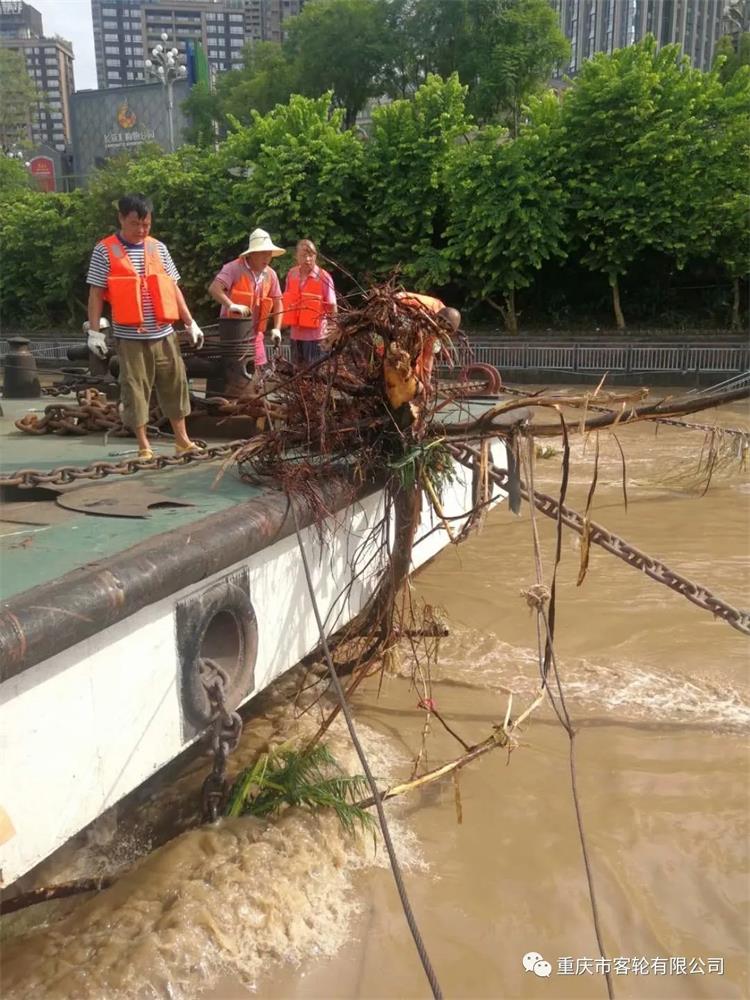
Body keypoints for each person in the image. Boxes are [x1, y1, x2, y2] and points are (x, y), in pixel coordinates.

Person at [86, 193, 204, 462]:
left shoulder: (158, 248)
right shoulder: (104, 250)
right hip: (130, 338)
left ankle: (183, 441)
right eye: (134, 224)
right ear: (121, 219)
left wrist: (190, 322)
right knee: (135, 389)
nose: (141, 230)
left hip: (164, 334)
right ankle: (144, 446)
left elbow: (173, 288)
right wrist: (94, 332)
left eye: (146, 224)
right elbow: (96, 293)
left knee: (176, 385)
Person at [208, 228, 284, 371]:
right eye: (263, 253)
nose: (267, 258)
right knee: (236, 373)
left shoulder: (271, 274)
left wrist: (277, 329)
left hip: (256, 335)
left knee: (258, 373)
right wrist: (231, 305)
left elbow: (278, 302)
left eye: (269, 254)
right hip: (233, 334)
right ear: (252, 253)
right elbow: (214, 289)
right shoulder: (233, 268)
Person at [281, 239, 337, 367]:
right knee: (297, 372)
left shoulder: (324, 277)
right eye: (303, 255)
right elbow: (287, 302)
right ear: (296, 256)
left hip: (317, 337)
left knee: (316, 374)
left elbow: (332, 306)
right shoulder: (291, 274)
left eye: (310, 255)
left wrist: (332, 333)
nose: (307, 259)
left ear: (315, 256)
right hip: (295, 336)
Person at [395, 291, 461, 390]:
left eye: (447, 330)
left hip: (418, 332)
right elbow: (403, 296)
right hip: (402, 319)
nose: (443, 330)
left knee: (416, 364)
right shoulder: (431, 304)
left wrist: (426, 381)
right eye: (442, 327)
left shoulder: (435, 332)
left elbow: (428, 355)